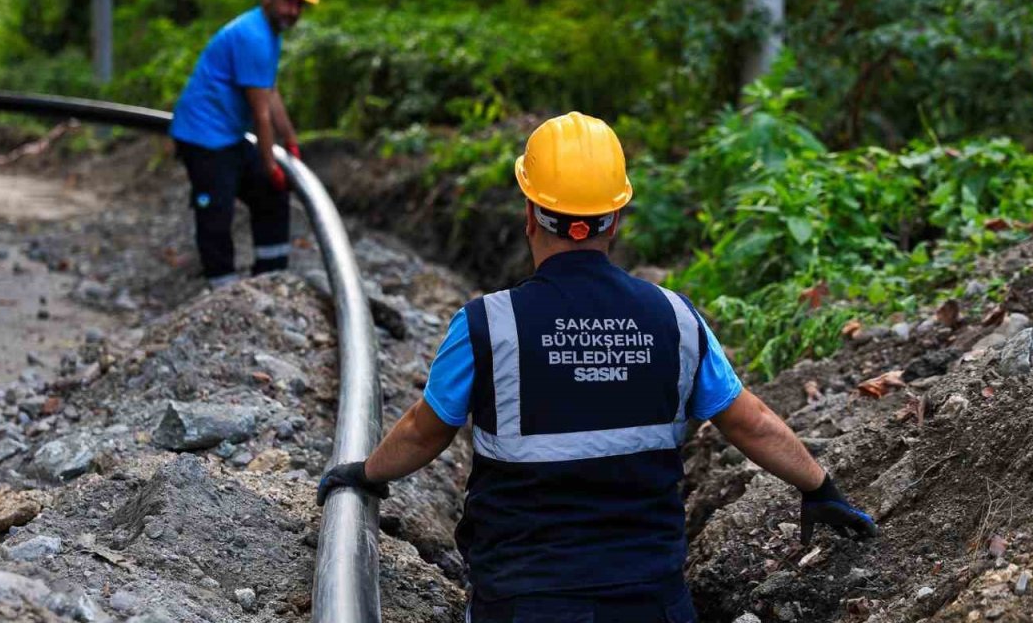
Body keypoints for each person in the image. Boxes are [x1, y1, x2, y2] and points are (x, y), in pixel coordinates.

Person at [317, 112, 877, 621]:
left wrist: (365, 474)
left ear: (531, 212)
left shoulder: (488, 324)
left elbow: (425, 429)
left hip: (524, 599)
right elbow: (747, 421)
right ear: (616, 219)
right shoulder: (676, 319)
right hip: (651, 600)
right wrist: (819, 485)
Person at [168, 0, 318, 288]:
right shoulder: (253, 35)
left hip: (229, 135)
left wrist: (291, 142)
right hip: (203, 136)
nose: (293, 11)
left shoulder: (268, 33)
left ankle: (272, 277)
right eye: (288, 1)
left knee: (271, 193)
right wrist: (270, 164)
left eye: (299, 5)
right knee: (216, 211)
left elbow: (270, 92)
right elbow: (260, 114)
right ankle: (222, 289)